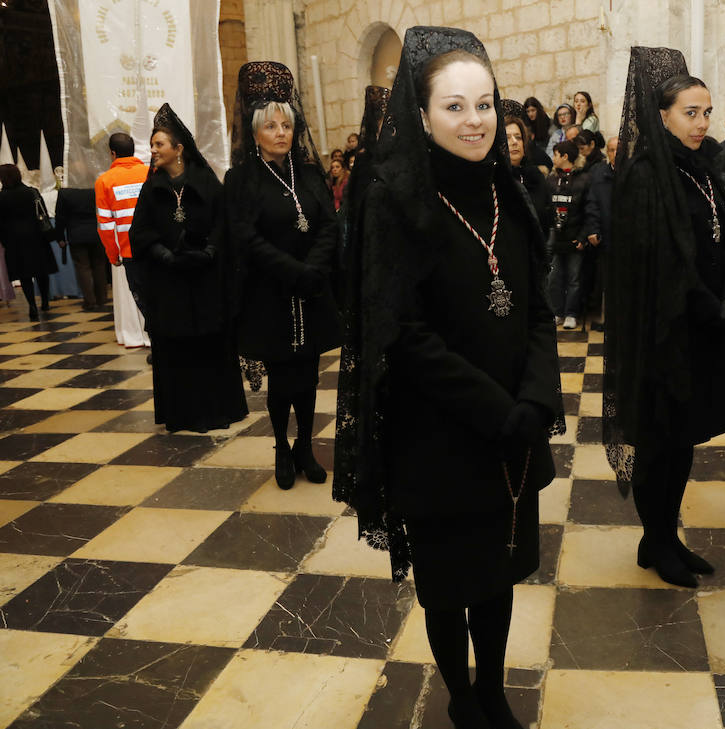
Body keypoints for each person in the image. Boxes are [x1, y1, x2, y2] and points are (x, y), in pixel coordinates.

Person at [334, 27, 563, 729]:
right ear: (423, 115)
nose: (476, 121)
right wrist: (499, 408)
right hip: (436, 435)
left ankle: (492, 689)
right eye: (456, 107)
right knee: (447, 589)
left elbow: (536, 311)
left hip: (511, 431)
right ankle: (462, 698)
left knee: (498, 576)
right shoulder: (395, 202)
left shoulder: (512, 193)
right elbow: (401, 335)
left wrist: (534, 398)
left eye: (486, 105)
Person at [603, 48, 725, 588]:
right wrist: (710, 306)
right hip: (664, 333)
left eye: (707, 111)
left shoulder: (706, 166)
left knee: (684, 439)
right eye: (691, 112)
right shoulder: (645, 174)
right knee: (659, 441)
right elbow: (662, 262)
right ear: (661, 114)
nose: (702, 122)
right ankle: (657, 541)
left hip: (705, 327)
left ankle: (663, 536)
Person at [226, 61, 341, 489]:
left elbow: (330, 225)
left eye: (286, 124)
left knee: (308, 376)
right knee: (281, 380)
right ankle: (280, 445)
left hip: (310, 292)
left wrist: (314, 270)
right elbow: (245, 238)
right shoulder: (241, 179)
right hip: (269, 295)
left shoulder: (309, 174)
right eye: (271, 125)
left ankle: (305, 447)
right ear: (255, 131)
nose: (280, 132)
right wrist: (294, 271)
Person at [130, 103, 248, 433]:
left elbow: (224, 223)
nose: (153, 150)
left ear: (178, 149)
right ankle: (182, 413)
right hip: (169, 284)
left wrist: (211, 249)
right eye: (152, 145)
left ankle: (215, 409)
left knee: (208, 345)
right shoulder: (150, 188)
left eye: (159, 144)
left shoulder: (207, 182)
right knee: (177, 347)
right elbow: (138, 232)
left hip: (205, 280)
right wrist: (163, 254)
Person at [95, 133, 151, 348]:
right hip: (155, 247)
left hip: (128, 250)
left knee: (139, 296)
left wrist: (112, 255)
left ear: (112, 153)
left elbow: (106, 225)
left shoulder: (104, 181)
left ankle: (143, 335)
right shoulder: (149, 173)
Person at [0, 164, 59, 320]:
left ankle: (32, 305)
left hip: (14, 241)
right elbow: (43, 213)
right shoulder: (32, 192)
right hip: (36, 236)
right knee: (41, 271)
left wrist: (5, 241)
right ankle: (45, 301)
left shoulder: (1, 197)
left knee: (24, 275)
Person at [547, 139, 589, 329]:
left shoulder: (582, 179)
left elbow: (588, 210)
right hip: (556, 236)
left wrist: (582, 237)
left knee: (574, 278)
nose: (553, 158)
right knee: (554, 277)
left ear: (564, 156)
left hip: (574, 236)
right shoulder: (551, 179)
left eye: (556, 154)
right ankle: (557, 311)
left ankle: (571, 313)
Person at [55, 185, 108, 310]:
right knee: (99, 266)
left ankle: (89, 300)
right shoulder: (95, 187)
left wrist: (60, 237)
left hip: (76, 233)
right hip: (97, 231)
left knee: (82, 268)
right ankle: (101, 298)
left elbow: (60, 216)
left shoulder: (65, 192)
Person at [582, 133, 615, 330]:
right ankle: (607, 319)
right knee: (605, 282)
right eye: (611, 150)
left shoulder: (633, 174)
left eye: (619, 150)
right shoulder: (599, 173)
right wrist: (593, 229)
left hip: (627, 239)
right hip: (605, 237)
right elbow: (592, 203)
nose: (615, 154)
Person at [505, 113, 551, 235]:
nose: (514, 142)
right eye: (507, 137)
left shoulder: (535, 175)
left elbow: (547, 211)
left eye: (518, 137)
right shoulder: (496, 178)